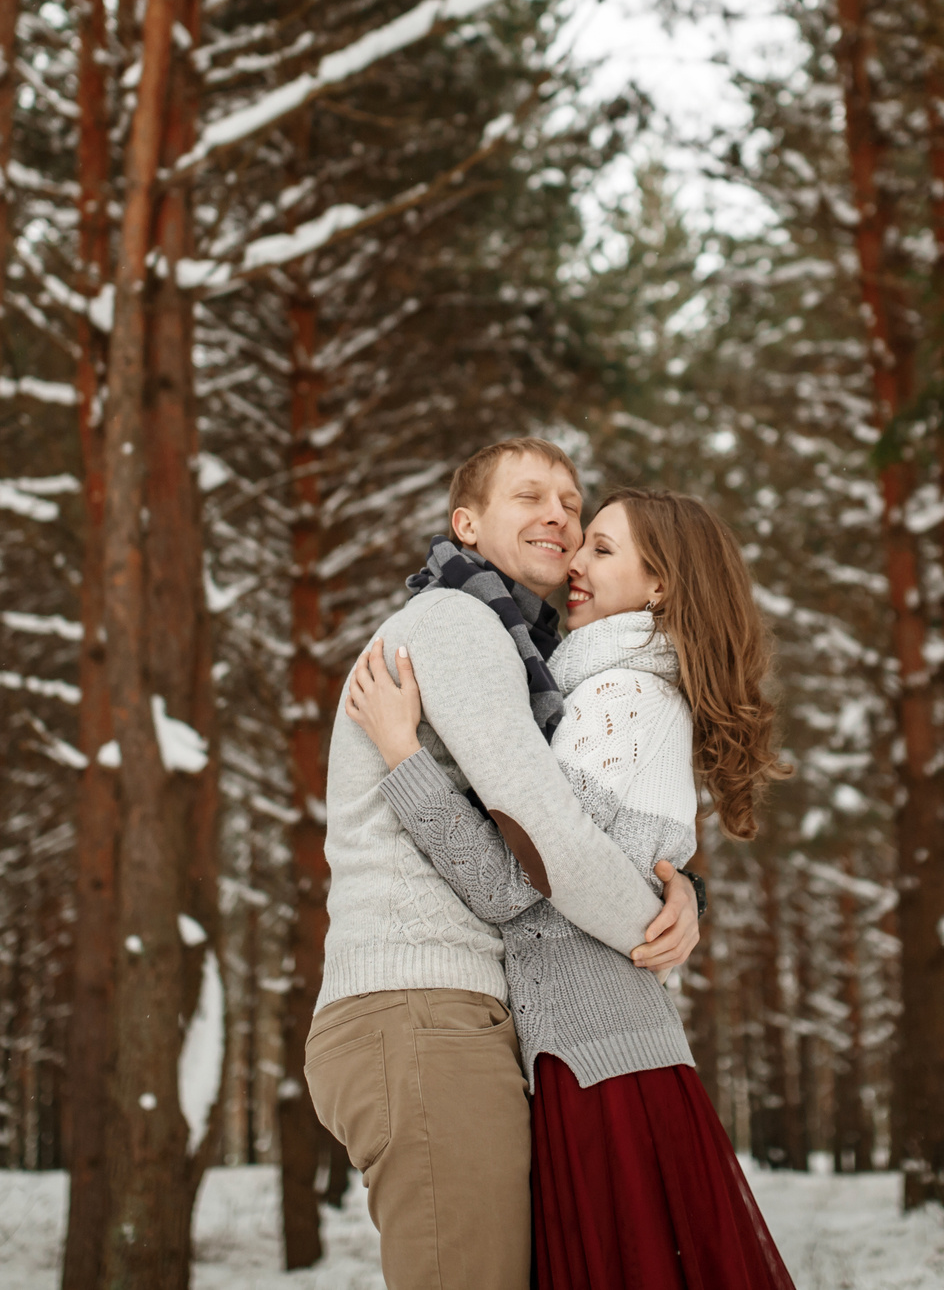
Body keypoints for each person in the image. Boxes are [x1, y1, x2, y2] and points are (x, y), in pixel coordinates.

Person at [343, 486, 798, 1290]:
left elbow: (514, 885)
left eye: (604, 549)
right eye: (583, 544)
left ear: (660, 586)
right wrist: (682, 891)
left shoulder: (619, 698)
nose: (576, 563)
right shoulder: (607, 691)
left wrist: (402, 756)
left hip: (599, 1068)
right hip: (591, 1052)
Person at [302, 438, 701, 1290]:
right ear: (467, 523)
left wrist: (684, 890)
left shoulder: (523, 651)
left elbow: (577, 813)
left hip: (444, 1012)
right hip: (421, 1009)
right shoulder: (459, 622)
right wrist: (656, 926)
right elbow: (545, 839)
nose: (558, 512)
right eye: (529, 496)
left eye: (570, 498)